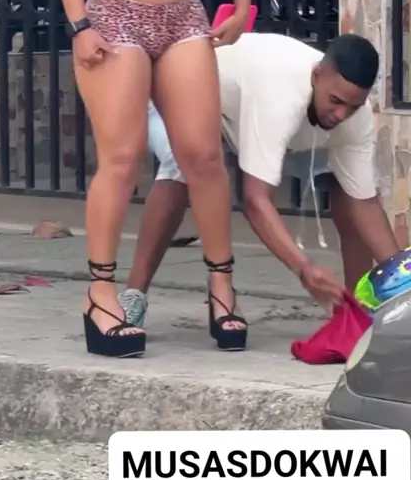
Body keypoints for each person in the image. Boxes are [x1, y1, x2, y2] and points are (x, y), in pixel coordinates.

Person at [56, 0, 254, 358]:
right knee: (122, 160)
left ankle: (222, 287)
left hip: (183, 17)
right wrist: (80, 24)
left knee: (203, 156)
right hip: (117, 17)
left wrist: (242, 3)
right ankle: (100, 294)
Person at [118, 33, 401, 328]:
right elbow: (255, 201)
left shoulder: (355, 119)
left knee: (348, 191)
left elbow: (365, 204)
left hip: (251, 116)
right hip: (185, 92)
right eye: (336, 101)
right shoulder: (281, 95)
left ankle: (355, 311)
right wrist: (305, 270)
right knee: (183, 165)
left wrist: (403, 283)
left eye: (353, 106)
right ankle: (135, 294)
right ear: (317, 75)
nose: (342, 114)